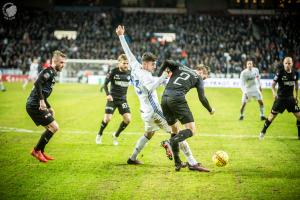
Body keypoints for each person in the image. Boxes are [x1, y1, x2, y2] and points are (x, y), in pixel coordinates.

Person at [116, 25, 205, 172]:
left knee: (148, 134)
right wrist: (164, 76)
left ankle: (132, 158)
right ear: (146, 64)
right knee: (176, 131)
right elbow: (151, 86)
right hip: (155, 110)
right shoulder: (145, 75)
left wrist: (121, 36)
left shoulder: (135, 66)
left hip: (145, 112)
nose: (154, 66)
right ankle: (192, 161)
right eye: (153, 64)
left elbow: (128, 51)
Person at [159, 61, 215, 171]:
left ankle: (178, 163)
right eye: (205, 78)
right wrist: (210, 110)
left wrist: (160, 73)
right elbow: (202, 98)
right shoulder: (198, 77)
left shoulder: (181, 66)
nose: (203, 80)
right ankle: (169, 142)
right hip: (177, 99)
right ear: (202, 72)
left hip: (164, 98)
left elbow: (166, 62)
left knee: (174, 130)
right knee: (191, 130)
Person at [26, 50, 66, 163]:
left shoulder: (53, 73)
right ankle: (36, 150)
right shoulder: (48, 71)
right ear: (55, 61)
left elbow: (43, 91)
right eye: (61, 62)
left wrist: (49, 106)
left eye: (64, 63)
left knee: (51, 128)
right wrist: (42, 102)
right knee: (54, 127)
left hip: (36, 103)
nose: (63, 65)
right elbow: (37, 83)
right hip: (34, 105)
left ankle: (41, 151)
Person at [259, 57, 300, 140]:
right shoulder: (280, 72)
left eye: (289, 63)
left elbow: (296, 85)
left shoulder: (295, 73)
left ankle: (299, 134)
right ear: (283, 64)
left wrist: (296, 96)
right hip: (280, 99)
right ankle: (263, 131)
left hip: (290, 99)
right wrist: (274, 93)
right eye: (286, 63)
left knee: (299, 116)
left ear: (292, 63)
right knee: (271, 117)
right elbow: (273, 85)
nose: (288, 65)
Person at [96, 54, 131, 145]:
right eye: (124, 63)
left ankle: (115, 135)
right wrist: (108, 95)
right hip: (112, 99)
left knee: (128, 119)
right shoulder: (113, 72)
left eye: (127, 63)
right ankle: (99, 134)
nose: (126, 65)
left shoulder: (130, 72)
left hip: (123, 100)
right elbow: (105, 84)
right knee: (107, 119)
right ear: (119, 63)